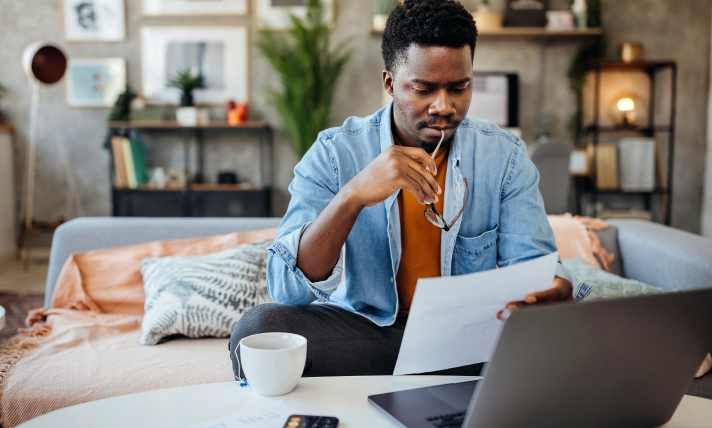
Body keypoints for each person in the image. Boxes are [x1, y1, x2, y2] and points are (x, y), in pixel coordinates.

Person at [229, 0, 590, 379]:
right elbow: (288, 289)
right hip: (370, 335)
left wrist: (551, 286)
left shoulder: (503, 155)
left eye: (459, 88)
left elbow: (531, 267)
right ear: (389, 83)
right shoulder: (335, 152)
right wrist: (354, 195)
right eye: (423, 89)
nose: (443, 106)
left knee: (579, 339)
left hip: (466, 338)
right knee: (257, 330)